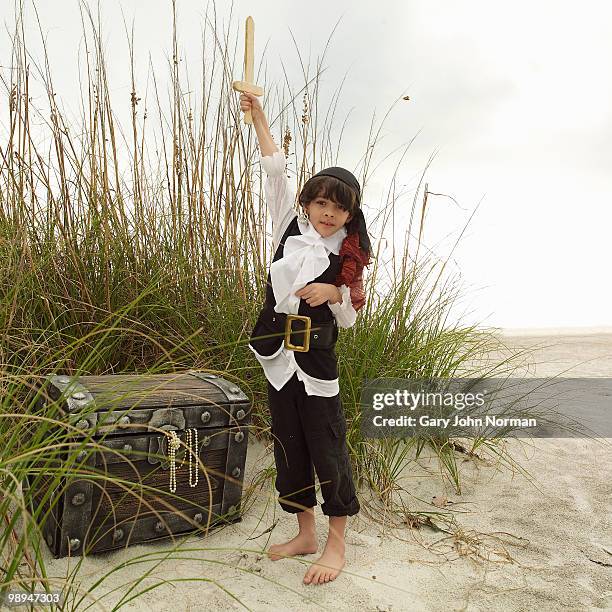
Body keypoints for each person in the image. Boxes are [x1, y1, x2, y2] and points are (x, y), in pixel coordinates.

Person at [239, 91, 373, 585]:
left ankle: (336, 542)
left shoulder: (351, 257)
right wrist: (259, 116)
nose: (328, 214)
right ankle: (305, 533)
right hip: (277, 355)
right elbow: (275, 168)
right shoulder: (287, 226)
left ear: (350, 213)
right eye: (321, 203)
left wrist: (332, 290)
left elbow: (353, 321)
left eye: (339, 208)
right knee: (288, 444)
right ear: (308, 203)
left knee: (328, 446)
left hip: (316, 363)